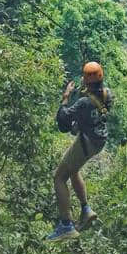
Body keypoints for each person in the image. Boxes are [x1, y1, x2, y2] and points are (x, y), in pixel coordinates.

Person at [46, 61, 113, 242]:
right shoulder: (107, 94)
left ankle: (66, 225)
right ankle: (85, 210)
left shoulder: (83, 102)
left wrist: (66, 97)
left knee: (59, 177)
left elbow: (63, 120)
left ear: (85, 80)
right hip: (99, 140)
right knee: (73, 170)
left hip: (86, 143)